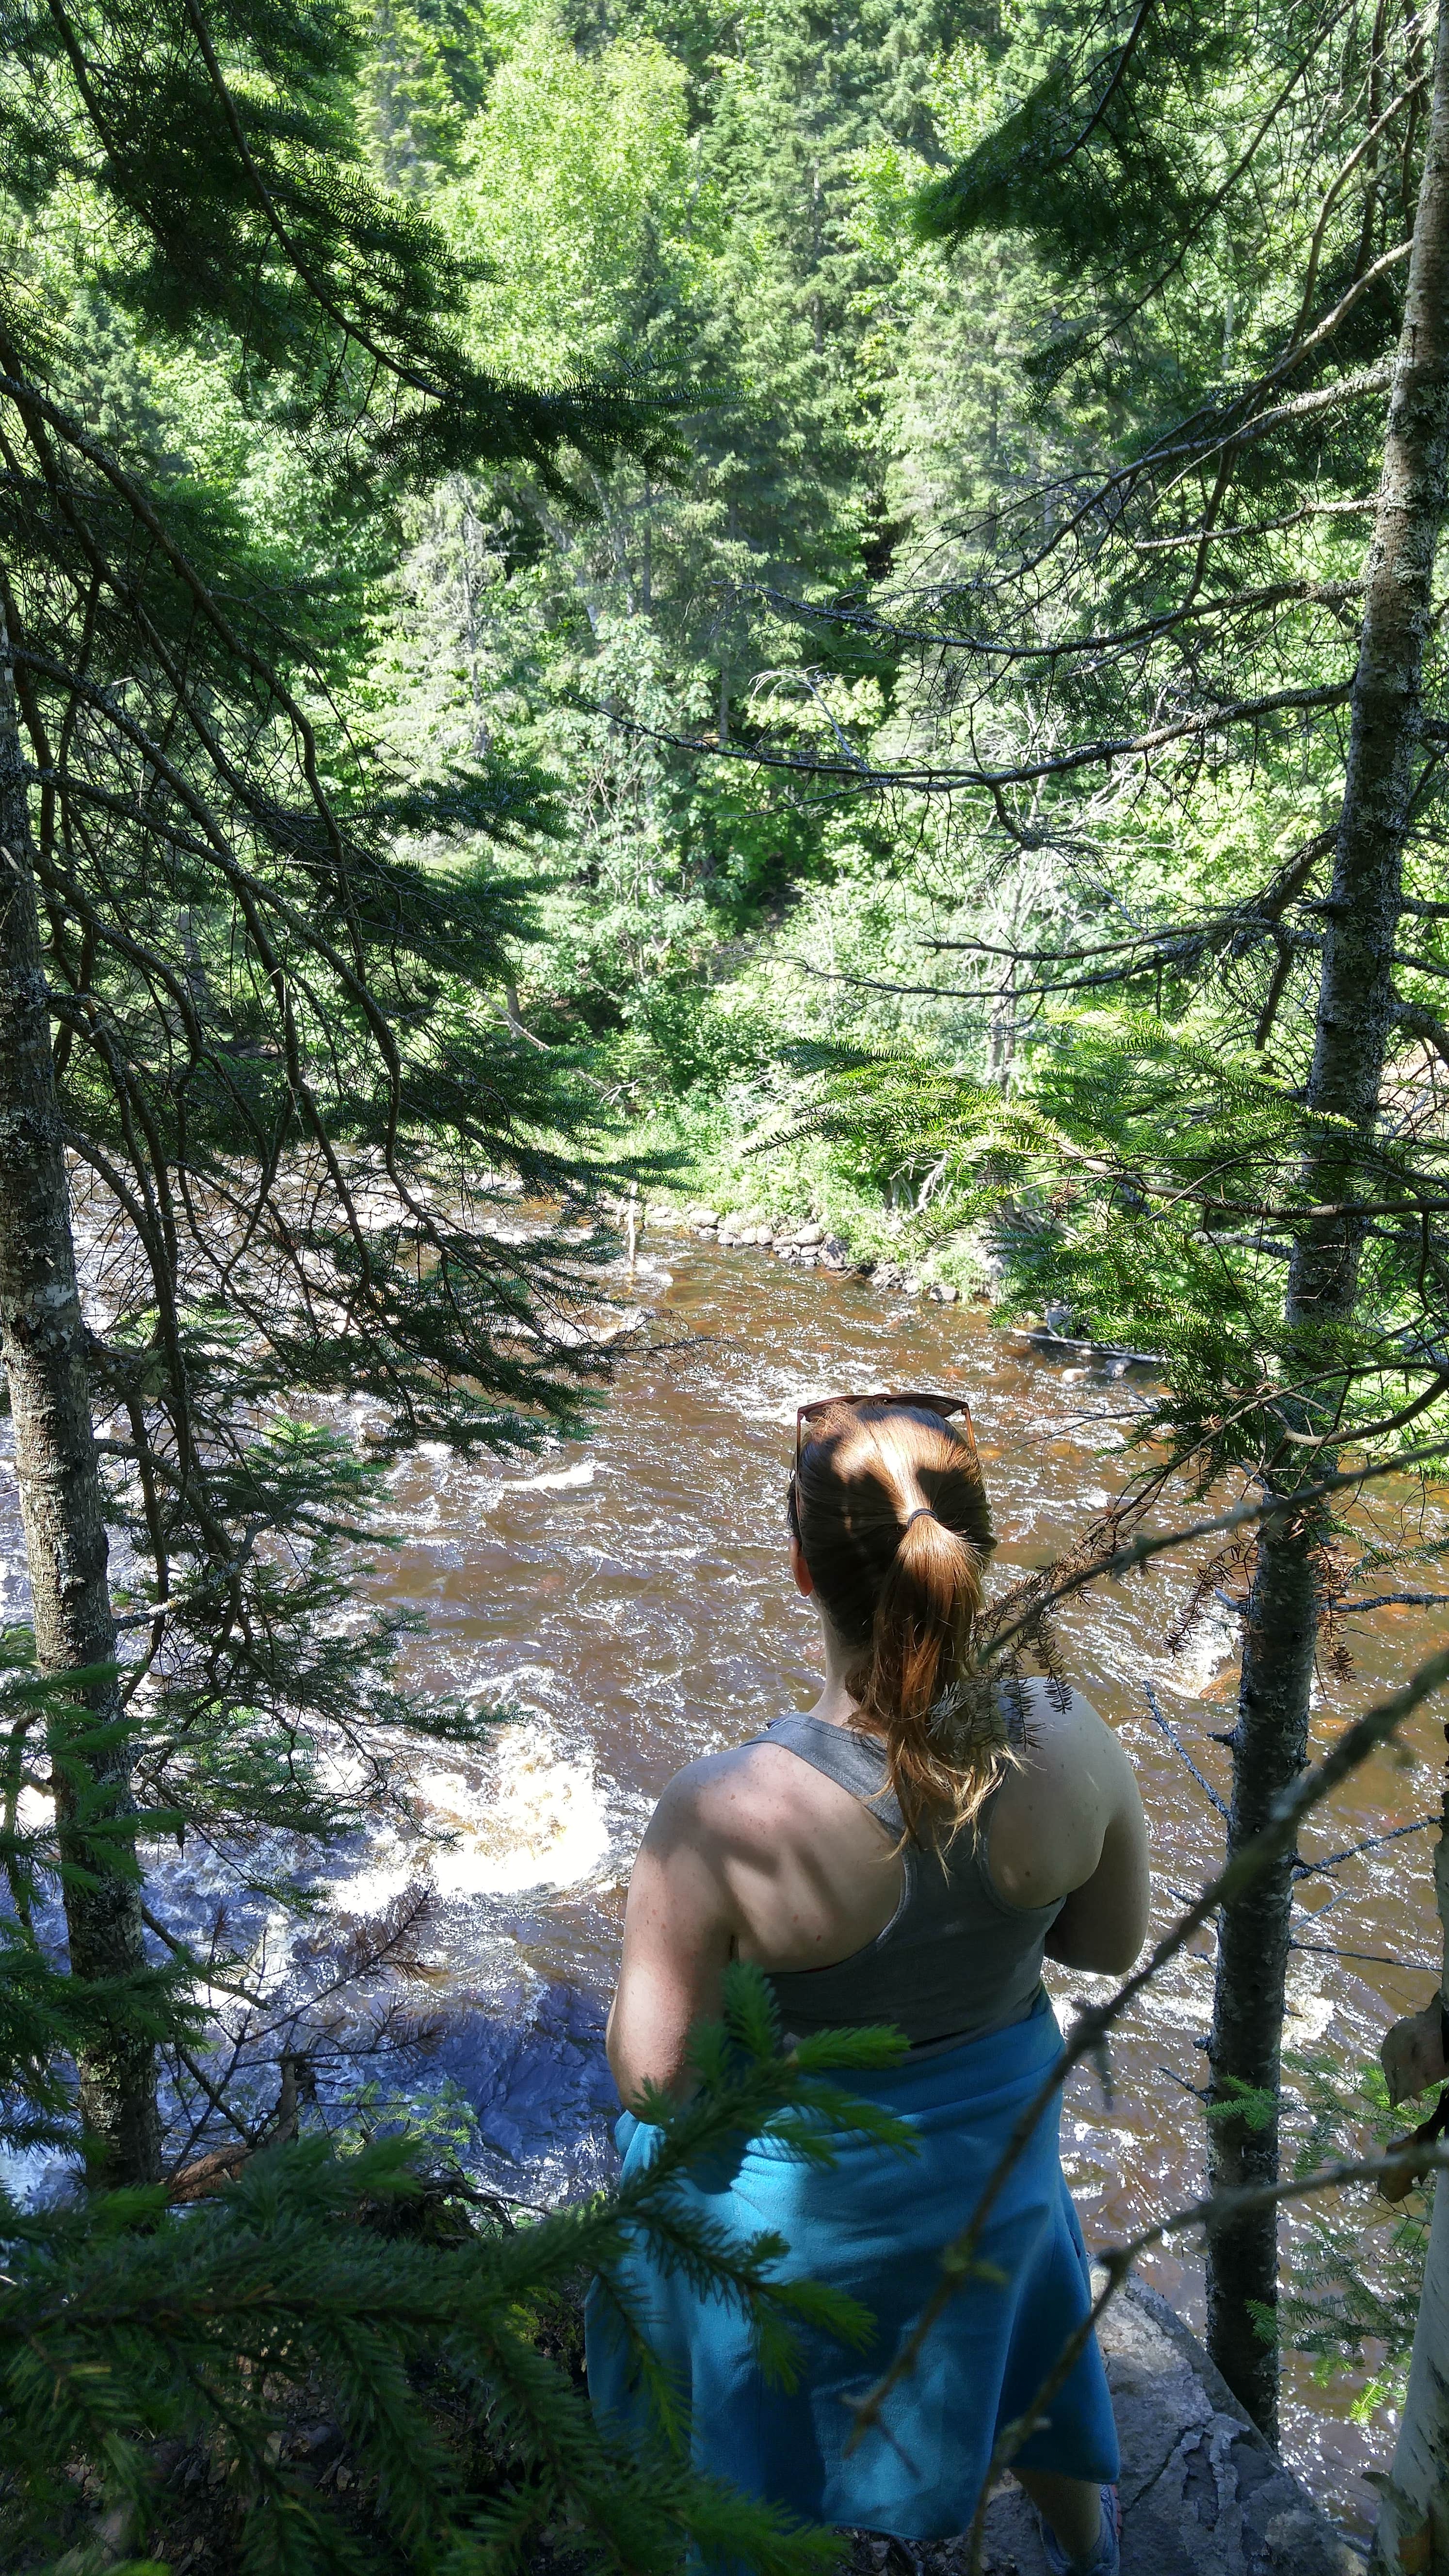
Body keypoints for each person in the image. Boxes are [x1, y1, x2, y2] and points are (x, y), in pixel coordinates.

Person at [587, 1393, 1150, 2576]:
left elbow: (655, 2084)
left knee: (645, 2168)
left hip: (797, 2234)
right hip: (993, 2189)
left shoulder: (723, 1811)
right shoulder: (1067, 1730)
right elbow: (1105, 1945)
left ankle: (737, 2510)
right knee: (1032, 2275)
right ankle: (1090, 2548)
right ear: (977, 1552)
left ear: (802, 1567)